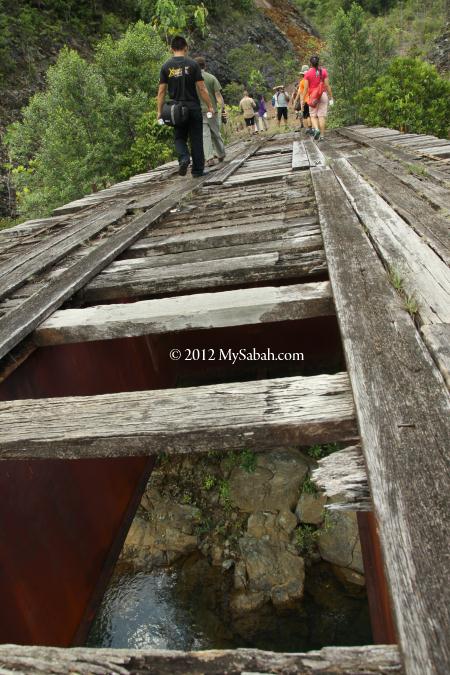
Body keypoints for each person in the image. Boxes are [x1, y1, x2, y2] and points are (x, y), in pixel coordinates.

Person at [157, 35, 214, 177]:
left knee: (179, 138)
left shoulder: (165, 66)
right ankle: (197, 171)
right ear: (186, 47)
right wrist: (210, 106)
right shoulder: (193, 64)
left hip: (175, 110)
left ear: (171, 49)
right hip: (193, 107)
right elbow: (202, 88)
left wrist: (159, 111)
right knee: (196, 138)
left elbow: (161, 91)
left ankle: (183, 158)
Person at [194, 56, 226, 167]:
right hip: (212, 111)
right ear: (205, 66)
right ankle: (221, 154)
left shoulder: (192, 80)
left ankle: (209, 158)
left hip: (199, 111)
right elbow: (218, 95)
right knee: (216, 133)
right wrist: (223, 108)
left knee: (205, 134)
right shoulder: (211, 78)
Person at [302, 55, 334, 142]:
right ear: (318, 62)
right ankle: (322, 136)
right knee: (321, 116)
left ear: (310, 63)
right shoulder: (323, 71)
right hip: (322, 95)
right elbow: (327, 85)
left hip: (312, 97)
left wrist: (302, 100)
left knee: (313, 115)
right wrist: (331, 97)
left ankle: (316, 129)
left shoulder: (307, 73)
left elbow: (305, 89)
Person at [292, 65, 313, 136]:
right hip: (313, 99)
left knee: (306, 116)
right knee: (311, 115)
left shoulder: (302, 82)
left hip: (305, 101)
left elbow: (299, 93)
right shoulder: (312, 80)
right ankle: (313, 128)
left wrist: (295, 101)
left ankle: (309, 129)